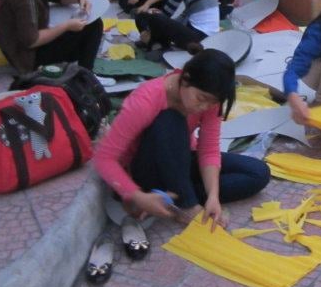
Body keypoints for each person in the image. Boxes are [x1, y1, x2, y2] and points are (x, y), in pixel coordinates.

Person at [94, 49, 270, 231]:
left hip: (178, 163)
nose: (205, 106)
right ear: (185, 78)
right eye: (202, 99)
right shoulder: (146, 99)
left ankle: (172, 199)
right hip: (145, 169)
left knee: (258, 173)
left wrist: (213, 196)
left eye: (212, 102)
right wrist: (136, 196)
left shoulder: (210, 100)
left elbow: (208, 149)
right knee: (171, 119)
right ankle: (186, 204)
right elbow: (104, 158)